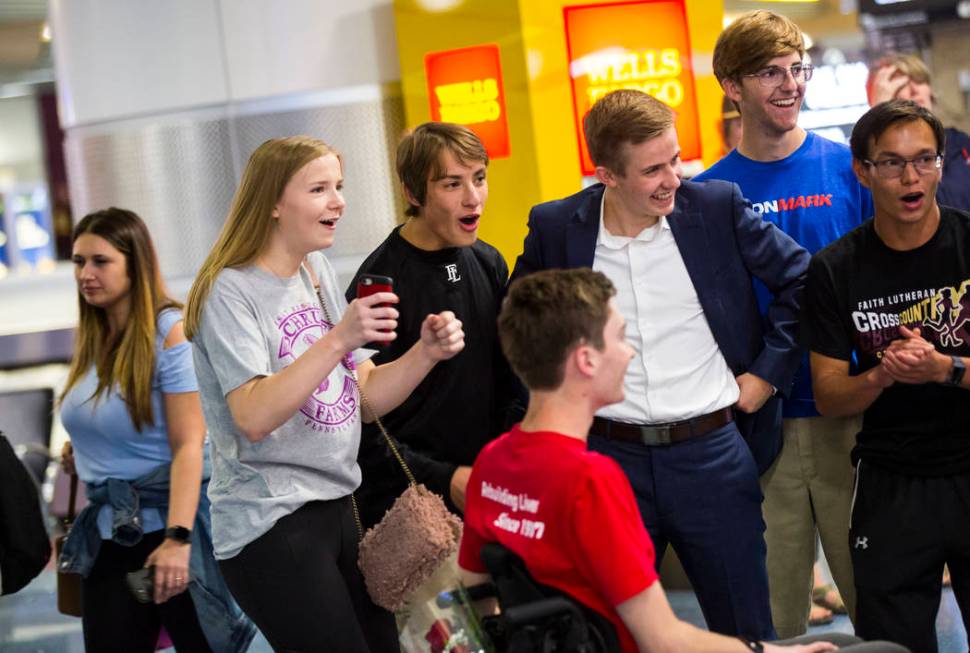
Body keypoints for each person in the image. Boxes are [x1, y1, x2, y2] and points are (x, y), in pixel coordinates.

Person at [459, 268, 907, 653]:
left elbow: (475, 590)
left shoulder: (492, 463)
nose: (630, 352)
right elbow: (664, 639)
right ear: (586, 361)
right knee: (869, 648)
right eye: (621, 337)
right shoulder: (590, 479)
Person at [510, 88, 810, 640]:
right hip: (605, 460)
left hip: (713, 456)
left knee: (745, 630)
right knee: (615, 632)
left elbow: (803, 280)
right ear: (606, 175)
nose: (673, 177)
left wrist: (767, 374)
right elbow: (521, 325)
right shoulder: (557, 229)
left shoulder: (716, 208)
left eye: (674, 159)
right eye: (653, 169)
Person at [184, 136, 465, 652]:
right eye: (319, 189)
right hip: (270, 522)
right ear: (272, 202)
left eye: (338, 187)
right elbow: (252, 415)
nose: (337, 201)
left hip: (339, 505)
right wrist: (339, 338)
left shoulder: (316, 274)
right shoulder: (231, 290)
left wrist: (425, 352)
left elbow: (364, 399)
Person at [695, 9, 874, 636]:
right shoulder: (706, 196)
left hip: (850, 415)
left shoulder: (850, 170)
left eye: (798, 68)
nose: (790, 84)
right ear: (732, 86)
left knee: (876, 601)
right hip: (756, 427)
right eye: (770, 71)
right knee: (773, 621)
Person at [803, 99, 970, 652]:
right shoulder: (835, 268)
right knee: (892, 646)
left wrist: (944, 369)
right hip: (892, 482)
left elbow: (947, 369)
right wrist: (881, 377)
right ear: (863, 171)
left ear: (943, 165)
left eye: (925, 159)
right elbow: (828, 395)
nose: (911, 176)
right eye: (893, 163)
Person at [57, 208, 254, 652]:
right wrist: (87, 448)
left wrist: (177, 540)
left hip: (171, 527)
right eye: (78, 262)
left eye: (100, 261)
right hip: (108, 531)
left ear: (135, 263)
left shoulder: (170, 332)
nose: (85, 274)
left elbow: (189, 445)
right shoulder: (94, 334)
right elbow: (109, 416)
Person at [346, 122, 518, 527]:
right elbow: (361, 422)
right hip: (412, 501)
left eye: (479, 179)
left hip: (490, 482)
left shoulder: (489, 261)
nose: (473, 198)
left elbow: (507, 380)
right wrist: (444, 477)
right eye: (452, 184)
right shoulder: (378, 284)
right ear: (413, 193)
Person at [867, 52, 970, 212]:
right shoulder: (881, 162)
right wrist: (879, 117)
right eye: (902, 85)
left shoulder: (961, 143)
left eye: (919, 80)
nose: (915, 90)